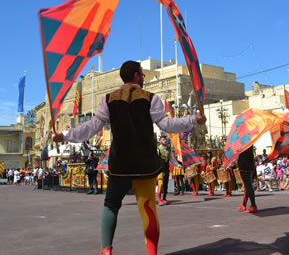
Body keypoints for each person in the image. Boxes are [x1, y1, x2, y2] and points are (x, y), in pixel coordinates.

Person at [52, 60, 206, 255]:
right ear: (135, 76)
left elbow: (90, 128)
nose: (143, 78)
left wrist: (65, 136)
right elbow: (169, 125)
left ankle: (106, 250)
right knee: (148, 208)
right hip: (145, 165)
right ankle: (152, 253)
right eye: (142, 75)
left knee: (111, 205)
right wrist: (194, 120)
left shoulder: (109, 99)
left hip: (119, 165)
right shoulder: (151, 99)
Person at [157, 135, 180, 205]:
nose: (165, 141)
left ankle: (164, 198)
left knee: (165, 184)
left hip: (166, 168)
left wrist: (178, 165)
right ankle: (159, 199)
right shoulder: (158, 149)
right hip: (160, 169)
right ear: (160, 141)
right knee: (160, 184)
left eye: (165, 140)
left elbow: (172, 159)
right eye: (163, 140)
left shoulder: (168, 149)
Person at [236, 145, 257, 213]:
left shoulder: (245, 143)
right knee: (247, 187)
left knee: (248, 187)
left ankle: (253, 205)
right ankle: (244, 204)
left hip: (245, 167)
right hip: (248, 166)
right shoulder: (248, 142)